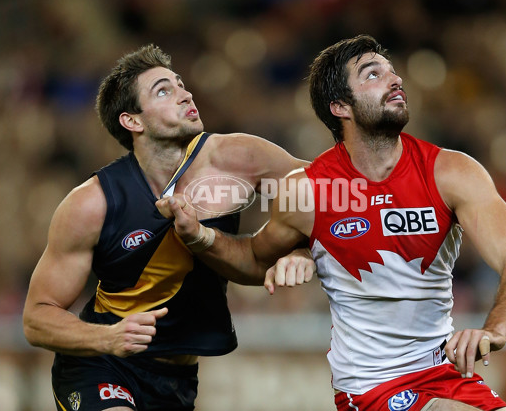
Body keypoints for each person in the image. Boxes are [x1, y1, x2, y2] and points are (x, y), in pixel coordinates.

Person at [157, 35, 506, 411]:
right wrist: (201, 237)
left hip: (444, 372)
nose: (395, 80)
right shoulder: (307, 190)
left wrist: (495, 330)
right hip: (373, 387)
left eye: (392, 72)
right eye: (373, 74)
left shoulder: (452, 172)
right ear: (340, 106)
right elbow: (256, 260)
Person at [22, 44, 314, 411]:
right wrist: (108, 338)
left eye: (180, 84)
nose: (185, 94)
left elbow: (332, 191)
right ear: (133, 121)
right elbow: (36, 318)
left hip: (177, 379)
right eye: (164, 90)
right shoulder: (91, 203)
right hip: (102, 364)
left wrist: (304, 248)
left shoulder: (237, 157)